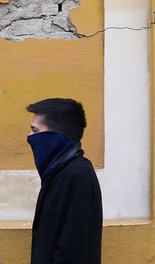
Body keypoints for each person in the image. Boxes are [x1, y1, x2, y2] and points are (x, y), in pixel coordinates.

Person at [26, 98, 102, 264]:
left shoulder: (76, 175)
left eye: (35, 130)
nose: (29, 136)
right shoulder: (58, 173)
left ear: (55, 136)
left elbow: (72, 249)